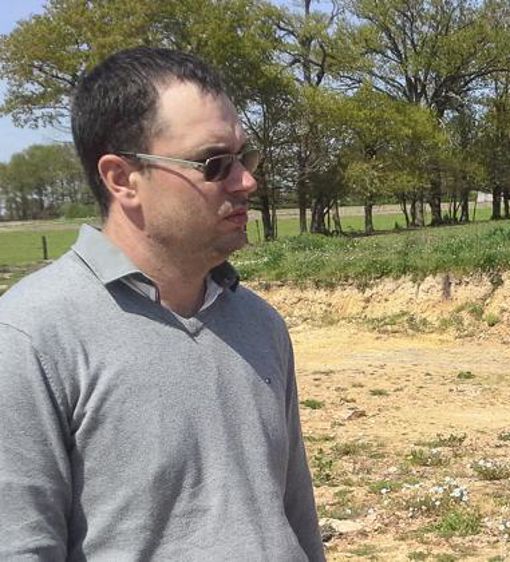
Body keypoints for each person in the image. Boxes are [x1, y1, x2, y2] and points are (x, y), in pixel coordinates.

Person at [0, 47, 324, 560]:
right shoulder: (29, 338)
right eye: (214, 163)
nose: (247, 181)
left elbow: (294, 516)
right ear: (122, 179)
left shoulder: (261, 324)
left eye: (246, 157)